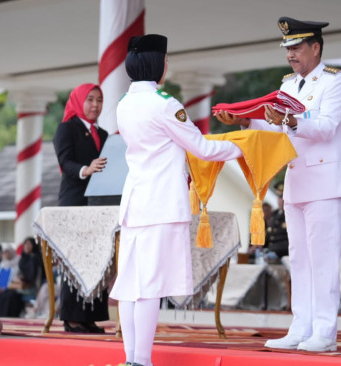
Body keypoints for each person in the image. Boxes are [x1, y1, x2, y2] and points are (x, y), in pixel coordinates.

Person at [215, 17, 341, 352]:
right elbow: (276, 133)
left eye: (296, 47)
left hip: (326, 181)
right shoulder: (288, 86)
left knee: (322, 259)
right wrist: (244, 119)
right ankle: (300, 326)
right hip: (297, 180)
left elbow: (326, 127)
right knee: (299, 258)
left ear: (315, 47)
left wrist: (290, 119)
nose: (290, 54)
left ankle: (325, 332)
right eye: (287, 49)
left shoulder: (336, 83)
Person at [109, 34, 242, 366]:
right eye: (166, 60)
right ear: (159, 64)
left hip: (136, 201)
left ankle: (131, 358)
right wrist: (244, 145)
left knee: (131, 285)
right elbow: (203, 149)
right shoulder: (165, 104)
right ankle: (141, 360)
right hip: (161, 203)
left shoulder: (123, 104)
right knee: (150, 285)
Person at [52, 83, 109, 333]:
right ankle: (72, 317)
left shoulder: (105, 135)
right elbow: (65, 162)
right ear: (78, 101)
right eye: (90, 100)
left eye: (99, 100)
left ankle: (90, 317)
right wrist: (87, 169)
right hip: (74, 202)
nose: (95, 105)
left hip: (98, 205)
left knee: (97, 258)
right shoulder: (67, 129)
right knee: (74, 259)